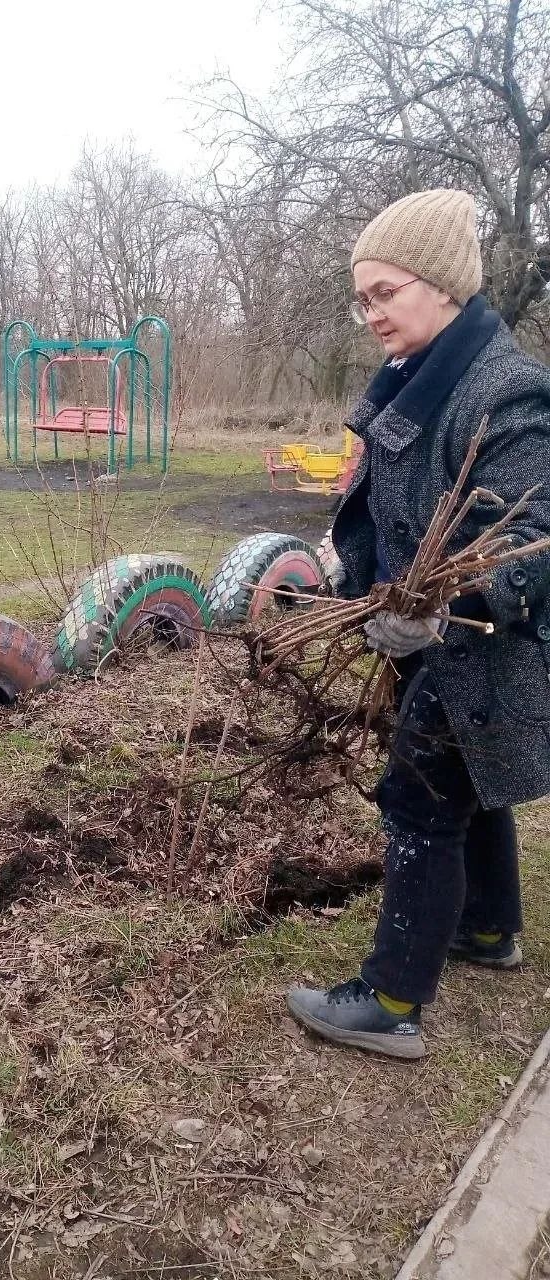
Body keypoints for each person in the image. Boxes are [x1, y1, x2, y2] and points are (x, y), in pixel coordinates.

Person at [286, 188, 550, 1060]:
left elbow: (531, 538)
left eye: (384, 293)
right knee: (467, 780)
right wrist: (359, 579)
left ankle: (392, 999)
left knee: (418, 797)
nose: (370, 314)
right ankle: (487, 928)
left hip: (485, 648)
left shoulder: (503, 392)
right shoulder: (421, 373)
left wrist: (440, 608)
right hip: (433, 640)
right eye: (362, 298)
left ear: (442, 286)